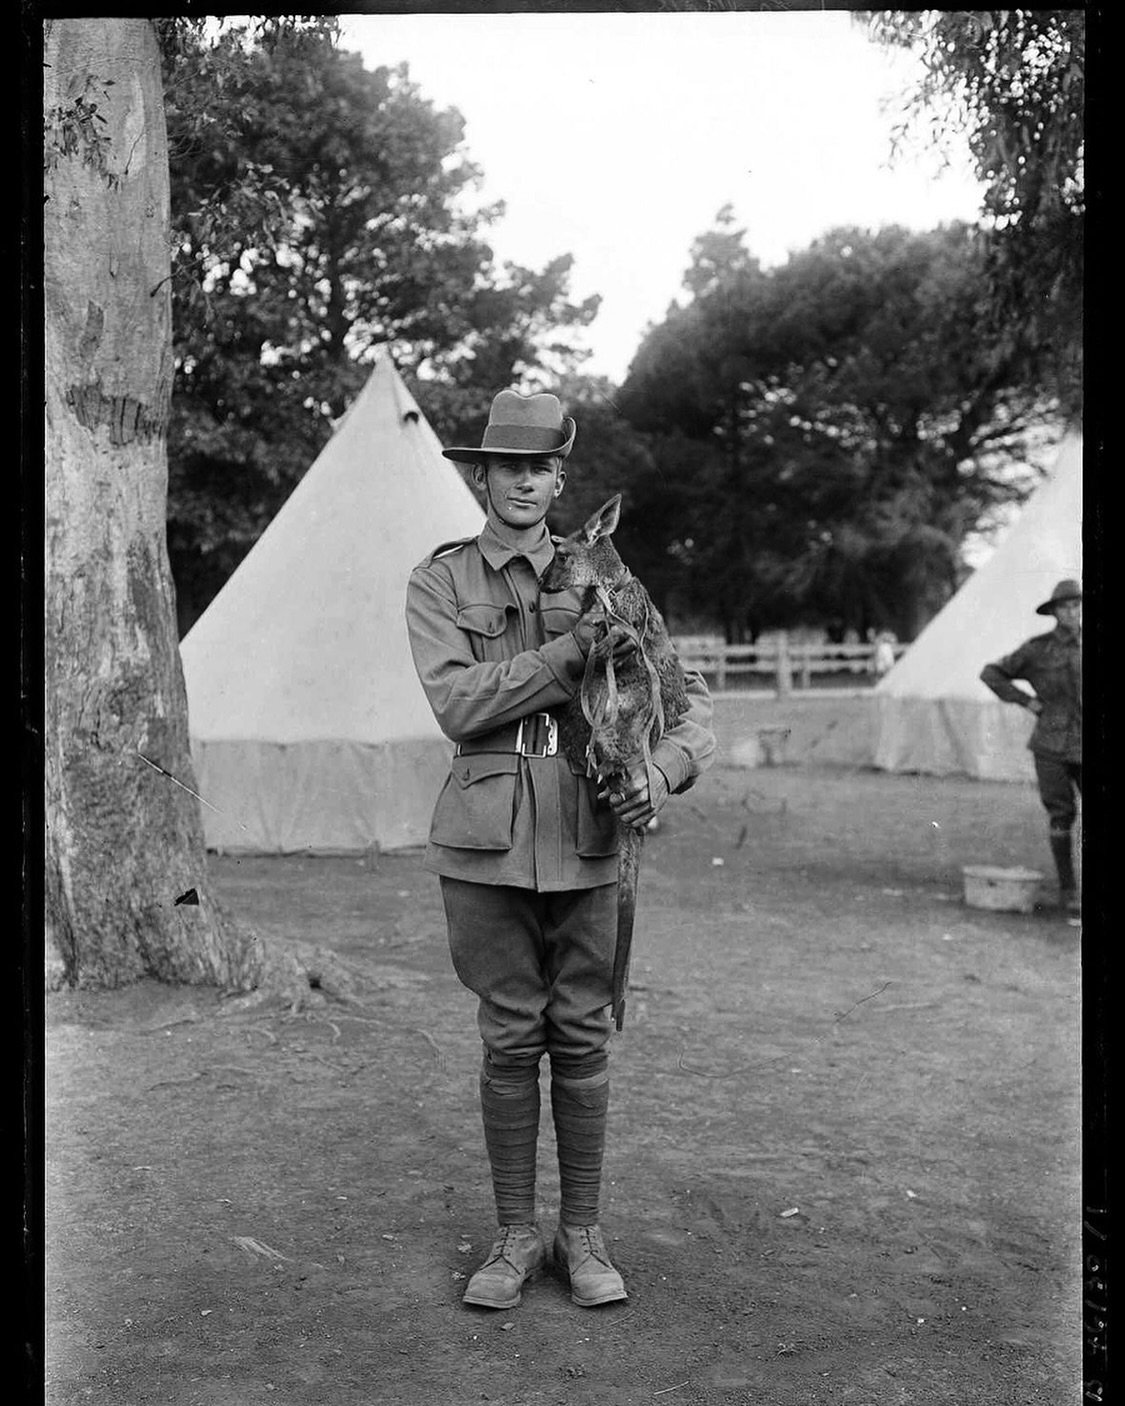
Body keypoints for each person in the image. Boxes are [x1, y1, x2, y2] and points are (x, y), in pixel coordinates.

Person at [405, 389, 715, 1310]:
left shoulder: (610, 577)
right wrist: (573, 652)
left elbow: (688, 701)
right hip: (485, 836)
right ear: (483, 477)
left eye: (541, 468)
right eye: (508, 468)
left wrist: (657, 774)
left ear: (559, 477)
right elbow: (458, 705)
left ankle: (580, 1235)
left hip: (590, 831)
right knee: (509, 1039)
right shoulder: (441, 581)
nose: (526, 483)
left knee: (580, 1035)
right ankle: (513, 1236)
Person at [980, 579, 1082, 913]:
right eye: (1066, 606)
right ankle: (1068, 890)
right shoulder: (1037, 650)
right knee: (1060, 814)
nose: (1073, 611)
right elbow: (992, 673)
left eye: (1078, 604)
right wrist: (1027, 701)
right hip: (1051, 743)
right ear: (1054, 612)